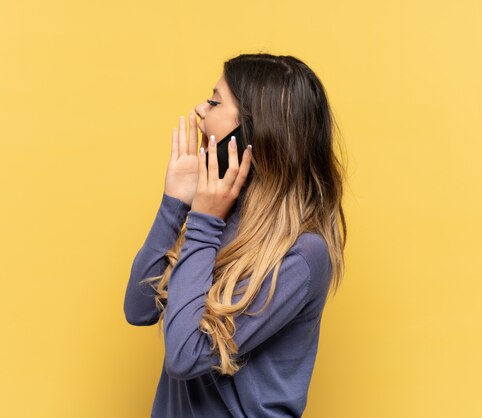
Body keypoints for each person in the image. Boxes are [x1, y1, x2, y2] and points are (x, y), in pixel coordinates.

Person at [124, 53, 347, 418]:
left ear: (254, 131)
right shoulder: (217, 218)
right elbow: (138, 308)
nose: (199, 110)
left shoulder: (301, 255)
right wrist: (174, 204)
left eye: (214, 102)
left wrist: (202, 221)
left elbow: (184, 356)